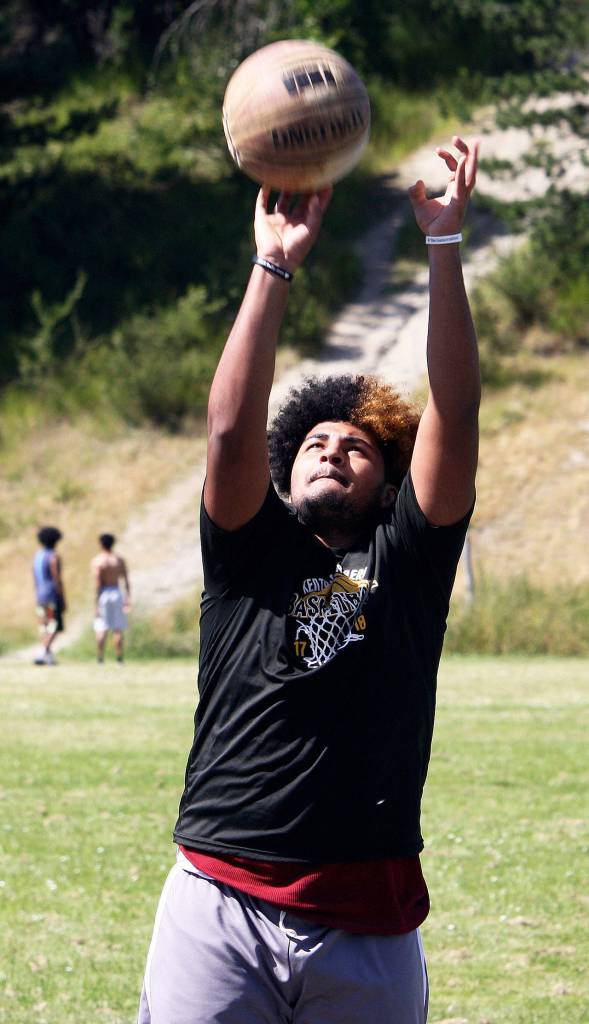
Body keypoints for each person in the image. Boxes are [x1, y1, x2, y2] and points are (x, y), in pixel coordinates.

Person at [138, 136, 480, 1024]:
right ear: (285, 471)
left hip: (367, 922)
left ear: (387, 485)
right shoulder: (251, 552)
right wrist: (271, 266)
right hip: (220, 896)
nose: (332, 445)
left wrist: (441, 248)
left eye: (358, 446)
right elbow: (226, 434)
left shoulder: (408, 565)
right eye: (315, 442)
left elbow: (456, 409)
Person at [91, 533, 131, 663]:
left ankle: (100, 657)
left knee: (102, 626)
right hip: (116, 591)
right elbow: (126, 580)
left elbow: (97, 583)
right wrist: (127, 598)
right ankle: (119, 657)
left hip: (104, 592)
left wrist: (96, 603)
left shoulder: (98, 561)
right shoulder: (118, 560)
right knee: (117, 627)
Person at [32, 526, 66, 666]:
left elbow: (34, 576)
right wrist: (62, 597)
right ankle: (43, 651)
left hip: (40, 594)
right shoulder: (53, 556)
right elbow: (57, 578)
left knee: (45, 626)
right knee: (54, 625)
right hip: (51, 594)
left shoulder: (38, 556)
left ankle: (48, 656)